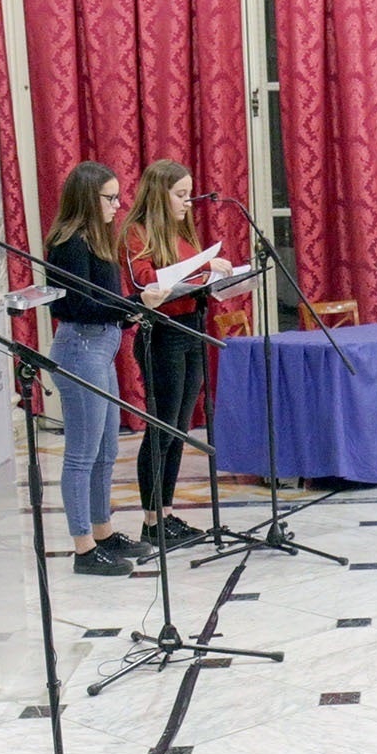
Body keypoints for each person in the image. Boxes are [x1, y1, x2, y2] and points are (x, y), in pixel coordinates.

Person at [44, 162, 156, 576]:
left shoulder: (98, 239)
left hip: (102, 349)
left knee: (107, 450)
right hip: (80, 349)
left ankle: (104, 531)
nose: (118, 204)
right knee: (82, 455)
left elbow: (107, 300)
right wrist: (135, 305)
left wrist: (133, 306)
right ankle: (83, 546)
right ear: (89, 198)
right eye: (110, 197)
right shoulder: (69, 243)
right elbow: (77, 305)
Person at [126, 159, 230, 547]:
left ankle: (167, 515)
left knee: (180, 429)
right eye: (180, 194)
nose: (189, 202)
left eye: (189, 193)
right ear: (159, 194)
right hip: (162, 336)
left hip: (191, 330)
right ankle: (152, 521)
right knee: (162, 429)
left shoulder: (182, 230)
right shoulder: (136, 233)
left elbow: (190, 278)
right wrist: (201, 272)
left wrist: (216, 278)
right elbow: (146, 282)